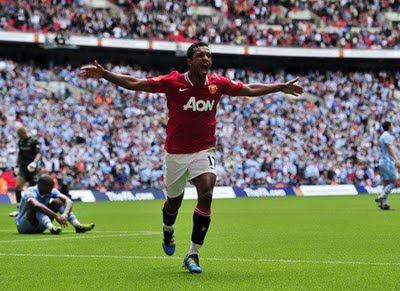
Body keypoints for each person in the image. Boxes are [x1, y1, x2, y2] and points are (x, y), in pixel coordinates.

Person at [79, 41, 304, 273]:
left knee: (206, 192)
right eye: (200, 55)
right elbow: (136, 83)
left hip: (204, 150)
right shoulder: (173, 82)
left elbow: (248, 89)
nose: (206, 59)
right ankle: (168, 229)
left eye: (208, 55)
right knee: (173, 203)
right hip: (175, 153)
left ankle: (193, 254)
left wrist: (280, 87)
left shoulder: (218, 83)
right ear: (190, 61)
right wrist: (106, 74)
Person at [15, 174, 95, 234]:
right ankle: (51, 227)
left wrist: (65, 214)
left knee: (58, 202)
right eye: (49, 187)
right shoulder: (30, 191)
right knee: (35, 207)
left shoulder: (51, 190)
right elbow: (36, 205)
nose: (51, 190)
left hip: (40, 226)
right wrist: (56, 216)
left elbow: (69, 201)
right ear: (40, 186)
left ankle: (77, 225)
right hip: (24, 226)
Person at [9, 127, 41, 217]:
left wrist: (34, 162)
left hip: (32, 167)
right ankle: (19, 209)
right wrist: (17, 165)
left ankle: (35, 208)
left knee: (33, 189)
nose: (21, 138)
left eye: (21, 136)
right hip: (23, 167)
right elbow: (20, 153)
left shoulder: (34, 141)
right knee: (18, 186)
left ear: (24, 133)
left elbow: (38, 153)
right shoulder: (21, 141)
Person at [375, 121, 400, 210]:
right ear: (389, 127)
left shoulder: (382, 136)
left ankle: (384, 204)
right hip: (388, 162)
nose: (393, 127)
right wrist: (397, 159)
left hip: (382, 161)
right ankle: (380, 197)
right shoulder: (387, 136)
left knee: (386, 184)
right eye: (392, 125)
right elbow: (389, 147)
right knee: (395, 182)